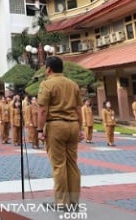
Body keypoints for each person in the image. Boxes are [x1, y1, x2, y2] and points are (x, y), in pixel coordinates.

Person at [37, 56, 83, 210]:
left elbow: (43, 110)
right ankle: (74, 201)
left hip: (56, 125)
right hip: (73, 125)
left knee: (59, 165)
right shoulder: (73, 84)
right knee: (72, 163)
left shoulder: (47, 84)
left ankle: (62, 203)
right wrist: (80, 128)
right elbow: (78, 110)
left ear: (48, 69)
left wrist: (39, 129)